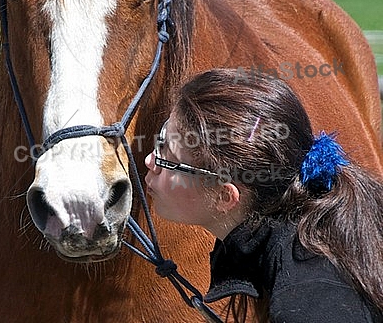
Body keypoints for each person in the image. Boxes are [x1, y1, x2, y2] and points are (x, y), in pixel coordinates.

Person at [145, 68, 383, 323]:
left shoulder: (309, 303)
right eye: (161, 137)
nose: (150, 160)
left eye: (168, 155)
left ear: (224, 197)